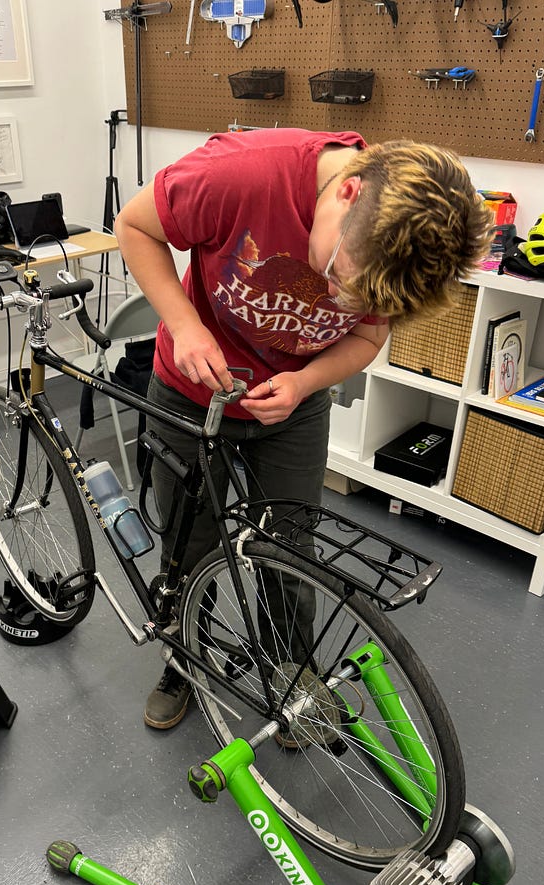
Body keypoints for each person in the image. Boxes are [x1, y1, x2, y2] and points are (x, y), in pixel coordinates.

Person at [114, 129, 491, 729]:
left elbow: (367, 338)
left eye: (357, 295)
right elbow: (134, 226)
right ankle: (184, 656)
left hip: (293, 408)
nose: (339, 297)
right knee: (189, 543)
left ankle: (291, 673)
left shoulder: (392, 254)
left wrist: (305, 381)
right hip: (191, 394)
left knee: (290, 547)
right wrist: (185, 325)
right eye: (342, 276)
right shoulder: (239, 174)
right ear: (347, 192)